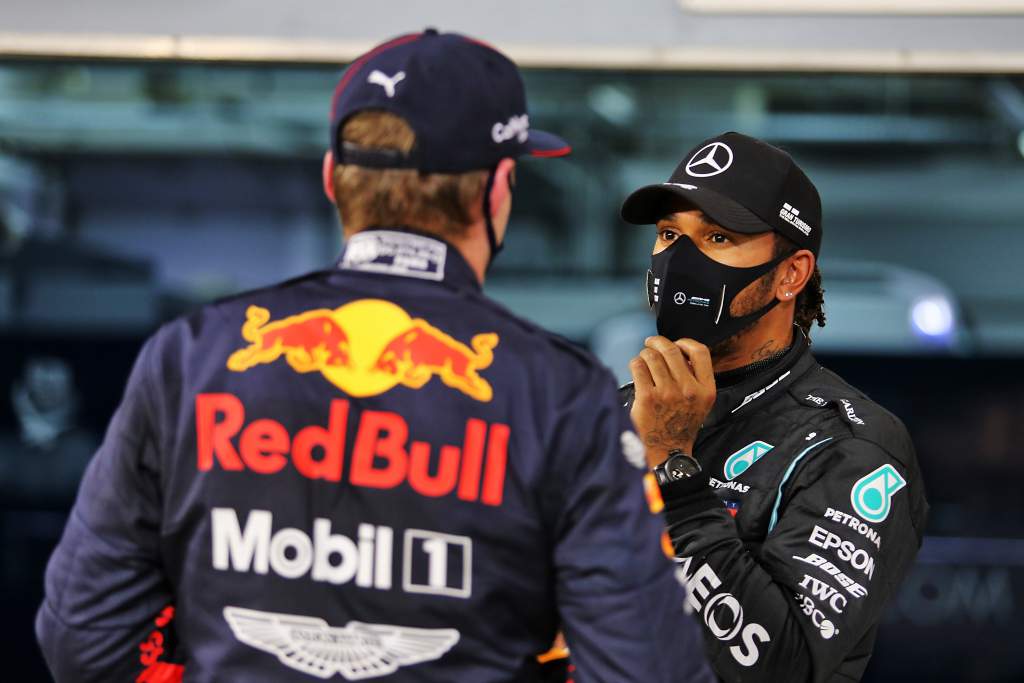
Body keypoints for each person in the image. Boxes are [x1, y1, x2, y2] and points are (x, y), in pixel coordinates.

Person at [36, 29, 713, 683]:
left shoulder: (190, 358)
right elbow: (646, 665)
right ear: (497, 189)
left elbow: (83, 640)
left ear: (334, 177)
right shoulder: (561, 393)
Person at [619, 132, 929, 682]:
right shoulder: (606, 414)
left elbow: (779, 665)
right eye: (670, 234)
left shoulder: (855, 450)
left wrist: (671, 466)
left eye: (717, 237)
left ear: (791, 274)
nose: (682, 260)